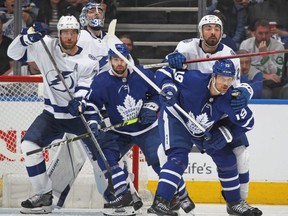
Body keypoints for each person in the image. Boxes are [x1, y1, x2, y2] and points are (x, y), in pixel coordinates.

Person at [67, 43, 195, 214]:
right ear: (110, 61)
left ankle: (178, 196)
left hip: (147, 129)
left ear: (128, 59)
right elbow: (92, 105)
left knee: (161, 162)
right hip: (120, 131)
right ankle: (124, 194)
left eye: (122, 59)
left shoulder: (142, 74)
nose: (119, 63)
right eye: (115, 60)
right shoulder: (102, 80)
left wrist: (150, 107)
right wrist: (93, 123)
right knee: (105, 156)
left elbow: (158, 94)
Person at [164, 14, 262, 216]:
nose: (212, 32)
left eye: (216, 28)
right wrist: (171, 60)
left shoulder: (229, 54)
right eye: (208, 28)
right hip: (188, 111)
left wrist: (244, 92)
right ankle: (173, 196)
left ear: (222, 33)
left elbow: (234, 90)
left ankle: (238, 203)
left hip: (216, 114)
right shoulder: (186, 47)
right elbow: (169, 73)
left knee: (242, 154)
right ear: (200, 32)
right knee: (168, 154)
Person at [7, 15, 101, 214]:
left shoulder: (88, 60)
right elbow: (13, 53)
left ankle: (120, 195)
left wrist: (80, 101)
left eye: (73, 33)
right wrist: (26, 38)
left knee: (103, 154)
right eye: (65, 32)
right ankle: (43, 194)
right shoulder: (45, 46)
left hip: (79, 117)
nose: (69, 37)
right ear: (58, 34)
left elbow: (86, 84)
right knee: (28, 146)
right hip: (52, 116)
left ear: (78, 34)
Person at [149, 59, 260, 216]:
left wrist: (227, 134)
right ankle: (161, 201)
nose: (226, 83)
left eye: (229, 79)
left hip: (203, 129)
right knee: (178, 157)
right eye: (222, 78)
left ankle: (234, 203)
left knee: (227, 159)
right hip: (177, 118)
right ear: (213, 76)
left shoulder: (230, 98)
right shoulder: (194, 79)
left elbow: (249, 122)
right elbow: (164, 72)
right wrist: (168, 87)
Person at [240, 18, 286, 98]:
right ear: (254, 33)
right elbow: (243, 69)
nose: (264, 36)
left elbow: (277, 74)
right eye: (260, 33)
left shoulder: (278, 47)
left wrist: (265, 56)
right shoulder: (245, 44)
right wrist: (263, 75)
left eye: (266, 33)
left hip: (271, 83)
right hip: (251, 80)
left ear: (271, 33)